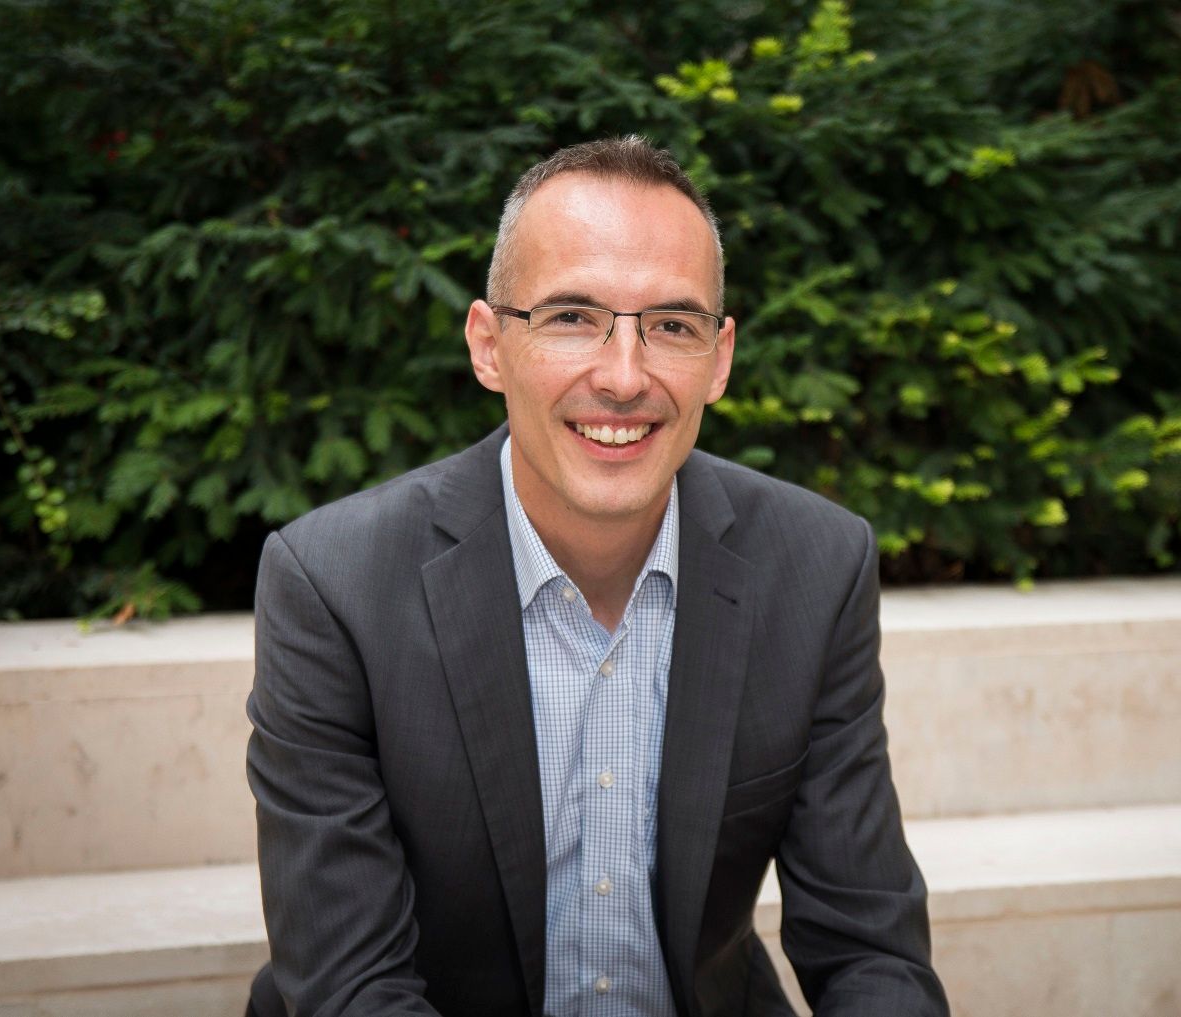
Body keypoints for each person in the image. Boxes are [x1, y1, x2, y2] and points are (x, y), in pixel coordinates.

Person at [245, 136, 946, 1017]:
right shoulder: (332, 585)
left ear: (719, 358)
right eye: (572, 317)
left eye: (672, 326)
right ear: (488, 345)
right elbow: (353, 986)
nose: (623, 378)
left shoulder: (814, 567)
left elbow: (868, 949)